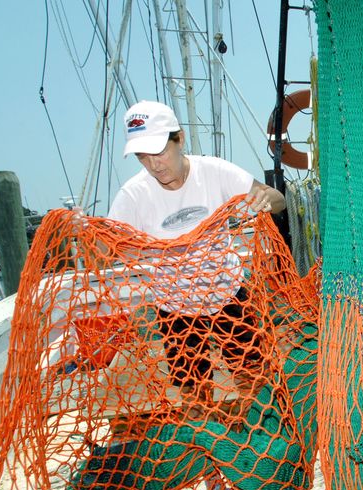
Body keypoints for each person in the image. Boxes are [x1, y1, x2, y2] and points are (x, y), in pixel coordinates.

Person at [107, 100, 285, 415]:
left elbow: (279, 199)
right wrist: (90, 234)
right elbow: (109, 247)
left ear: (180, 139)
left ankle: (262, 439)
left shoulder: (214, 171)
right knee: (194, 399)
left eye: (159, 151)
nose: (153, 164)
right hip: (174, 310)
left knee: (255, 384)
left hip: (228, 297)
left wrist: (265, 198)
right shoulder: (132, 195)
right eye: (142, 156)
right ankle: (208, 447)